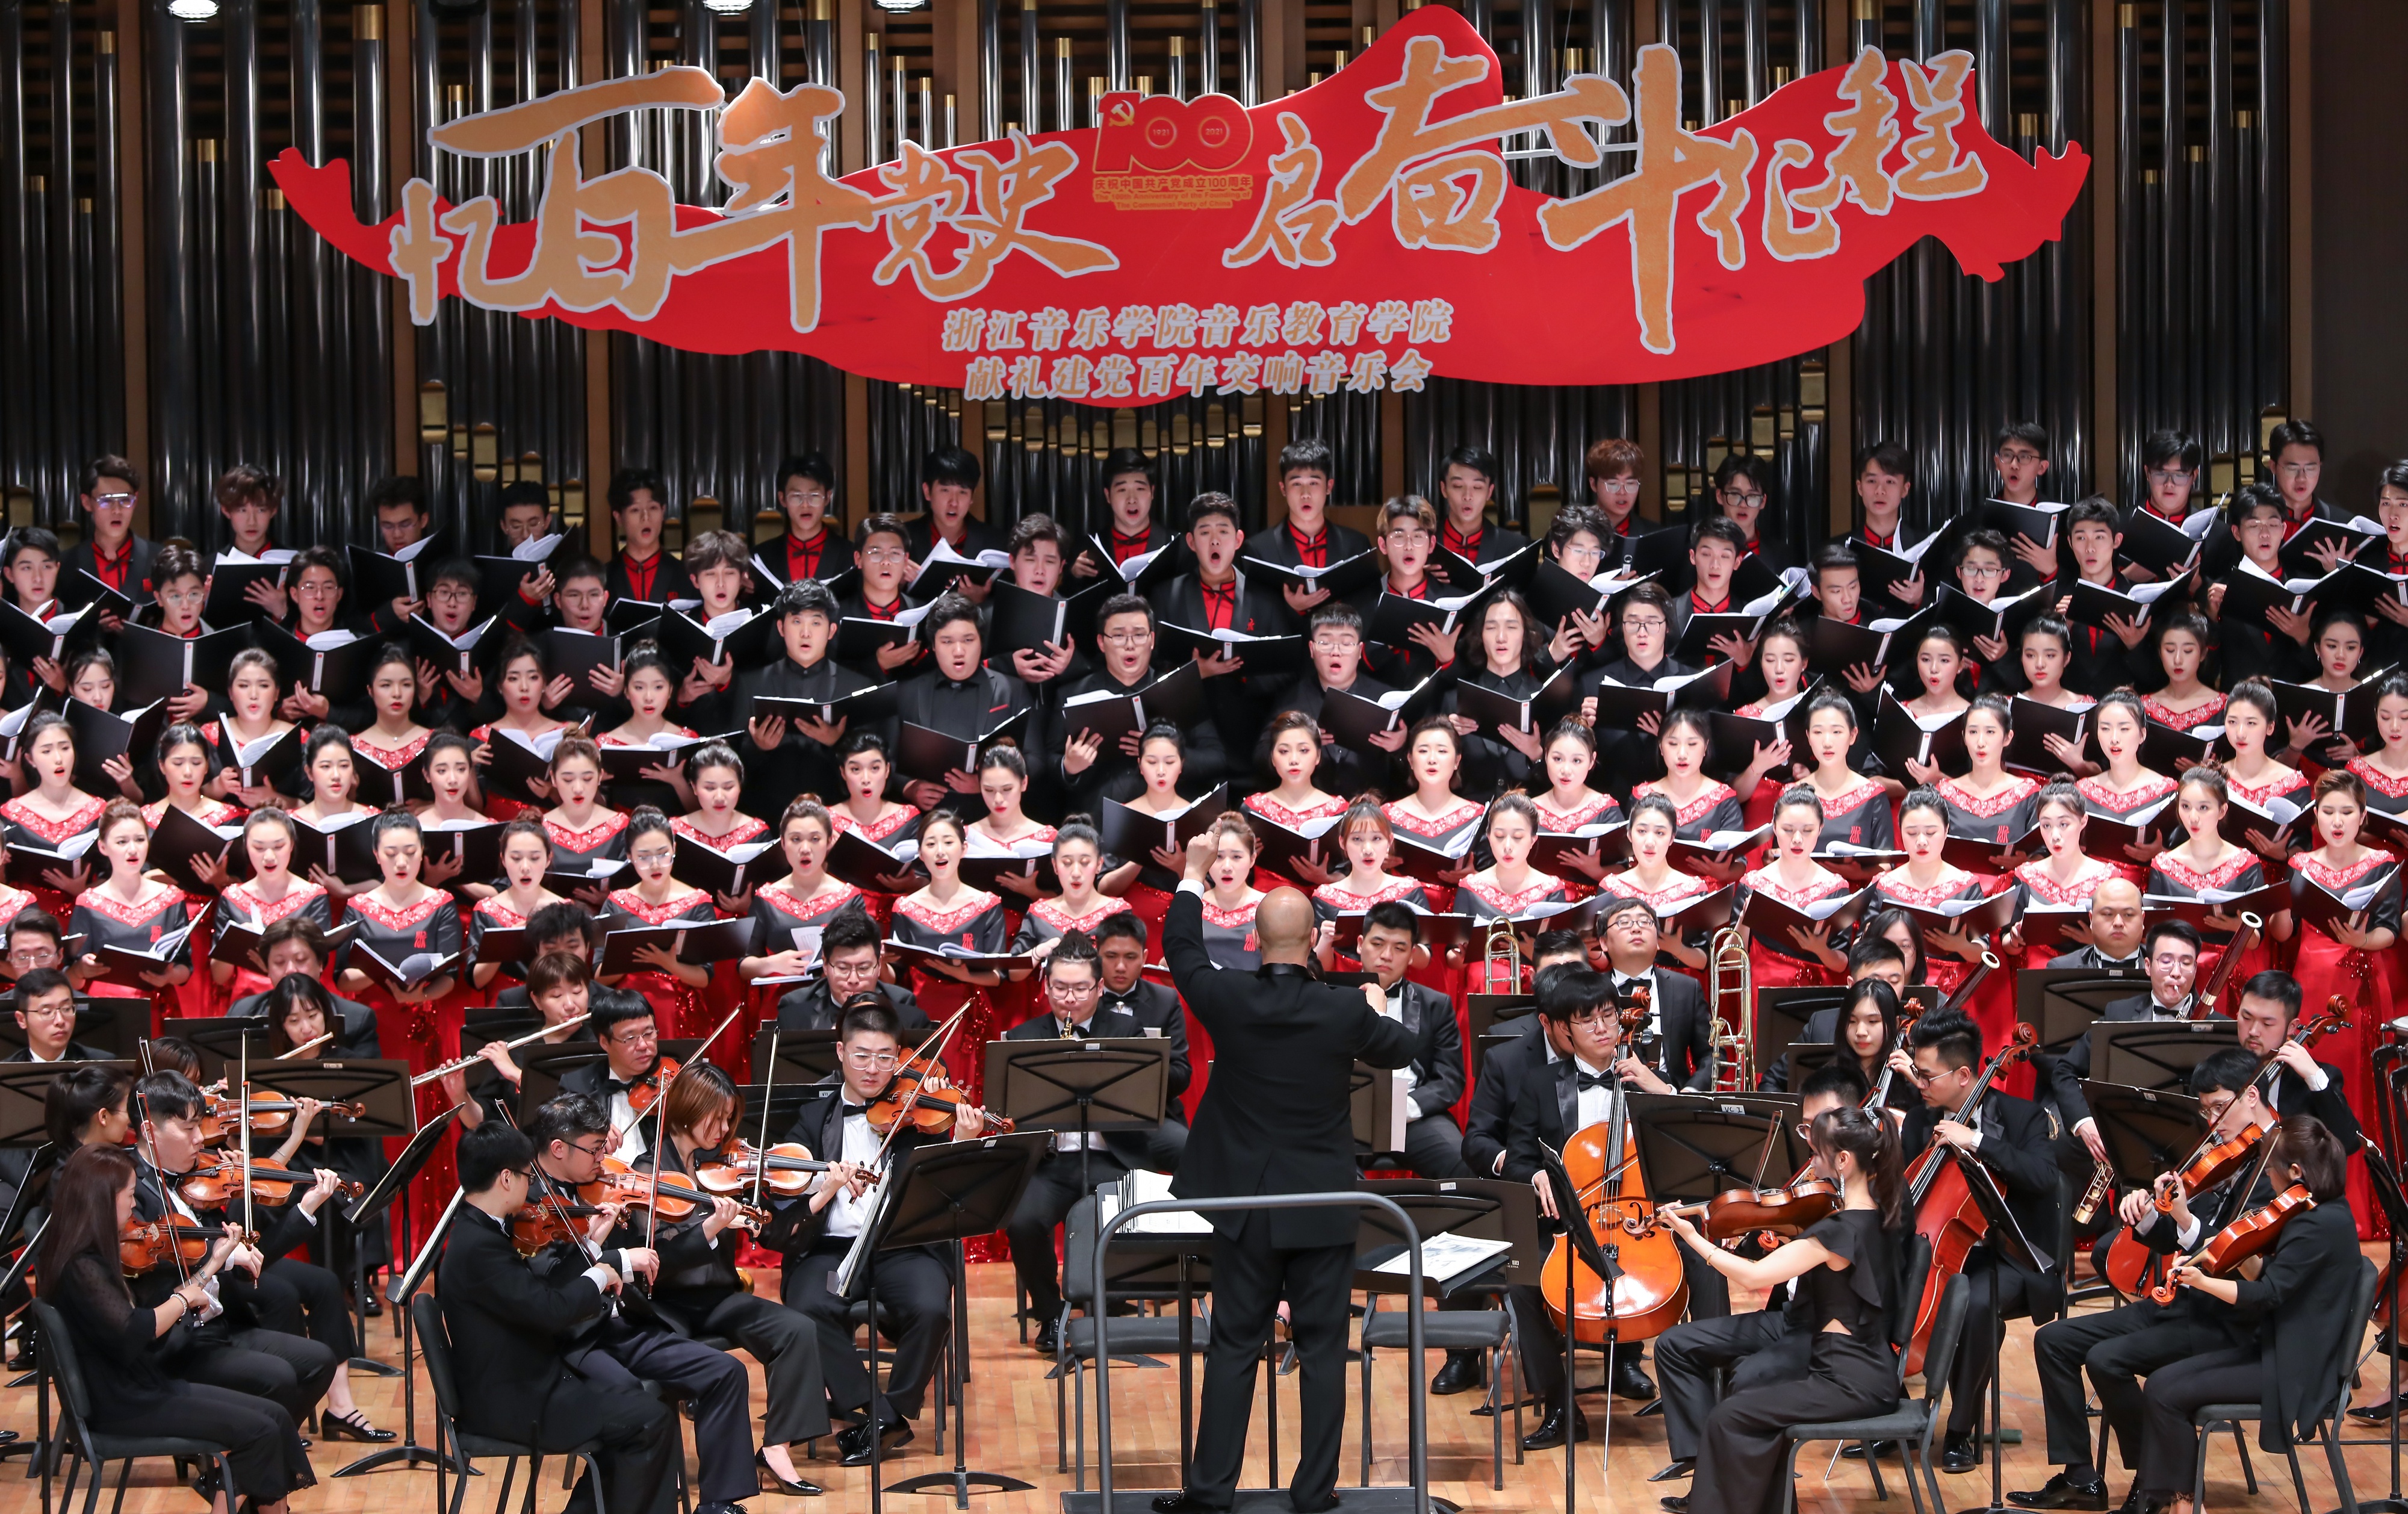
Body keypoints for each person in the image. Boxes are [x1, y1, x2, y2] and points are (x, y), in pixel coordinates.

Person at [1150, 831, 1417, 1514]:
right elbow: (1402, 1047)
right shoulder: (1343, 1009)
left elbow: (1181, 950)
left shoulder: (1229, 995)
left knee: (1234, 1344)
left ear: (1253, 941)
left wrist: (1192, 876)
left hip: (1247, 1205)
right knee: (1324, 1348)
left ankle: (1211, 1492)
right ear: (1315, 942)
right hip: (1323, 1202)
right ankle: (1313, 1491)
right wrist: (1374, 1004)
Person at [532, 1085, 830, 1499]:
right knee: (647, 1399)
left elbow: (775, 1233)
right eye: (596, 1150)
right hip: (638, 1311)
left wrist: (820, 1193)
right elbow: (569, 1281)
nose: (605, 1161)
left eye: (729, 1119)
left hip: (652, 1312)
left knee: (745, 1360)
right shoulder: (549, 1199)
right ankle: (656, 1479)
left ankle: (724, 1497)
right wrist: (607, 1249)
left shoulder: (718, 1168)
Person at [2013, 1047, 2277, 1513]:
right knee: (2054, 1340)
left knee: (2107, 1360)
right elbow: (2176, 1237)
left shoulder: (2276, 1164)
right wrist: (2149, 1217)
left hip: (2224, 1320)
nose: (2212, 1122)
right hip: (2179, 1302)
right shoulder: (2223, 1154)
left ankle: (2152, 1482)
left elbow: (2235, 1255)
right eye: (2206, 1110)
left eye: (2220, 1107)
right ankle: (2081, 1478)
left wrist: (2186, 1219)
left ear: (2251, 1096)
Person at [768, 997, 987, 1465]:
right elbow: (790, 1188)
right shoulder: (813, 1117)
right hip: (831, 1248)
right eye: (862, 1055)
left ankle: (896, 1408)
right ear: (841, 1052)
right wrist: (825, 1185)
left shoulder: (920, 1113)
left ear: (900, 1056)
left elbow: (951, 1184)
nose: (873, 1068)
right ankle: (880, 1414)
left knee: (931, 1307)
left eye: (885, 1057)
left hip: (901, 1245)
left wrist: (961, 1139)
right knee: (807, 1308)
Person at [37, 1142, 311, 1514]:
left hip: (142, 1385)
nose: (134, 1205)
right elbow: (136, 1330)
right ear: (103, 1201)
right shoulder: (82, 1267)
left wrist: (211, 1265)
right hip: (123, 1403)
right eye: (129, 1195)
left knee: (275, 1417)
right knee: (261, 1431)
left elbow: (160, 1310)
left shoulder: (87, 1253)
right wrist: (182, 1300)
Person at [1660, 1102, 1903, 1514]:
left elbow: (1754, 1276)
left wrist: (1691, 1237)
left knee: (1728, 1417)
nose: (1813, 1161)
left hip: (1848, 1380)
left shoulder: (1838, 1232)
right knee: (1742, 1414)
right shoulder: (1878, 1217)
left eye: (1818, 1152)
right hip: (1865, 1369)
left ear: (1843, 1161)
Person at [438, 1120, 681, 1514]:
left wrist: (591, 1243)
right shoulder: (480, 1247)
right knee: (650, 1421)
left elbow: (536, 1298)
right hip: (515, 1402)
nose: (531, 1185)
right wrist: (600, 1274)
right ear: (506, 1179)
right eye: (527, 1175)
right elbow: (551, 1311)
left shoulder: (479, 1230)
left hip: (523, 1381)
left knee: (640, 1411)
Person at [2129, 1116, 2359, 1514]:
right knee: (2161, 1383)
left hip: (2294, 1368)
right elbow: (2273, 1276)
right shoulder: (2322, 1211)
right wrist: (2239, 1250)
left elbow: (2267, 1295)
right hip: (2277, 1348)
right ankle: (2176, 1501)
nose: (2267, 1175)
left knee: (2166, 1393)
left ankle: (2185, 1505)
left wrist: (2202, 1281)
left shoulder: (2318, 1226)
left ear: (2296, 1171)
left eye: (2271, 1168)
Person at [1893, 1010, 2064, 1469]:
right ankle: (1890, 1412)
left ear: (1964, 1075)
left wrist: (1977, 1141)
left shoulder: (2024, 1116)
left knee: (1973, 1303)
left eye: (1927, 1075)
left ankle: (1959, 1431)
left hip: (2008, 1257)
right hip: (1938, 1247)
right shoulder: (1919, 1120)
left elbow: (2044, 1176)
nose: (1918, 1083)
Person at [998, 930, 1155, 1353]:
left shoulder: (1127, 1029)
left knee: (1126, 1214)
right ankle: (1051, 1313)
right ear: (1046, 986)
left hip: (1109, 1156)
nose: (1069, 998)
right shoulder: (1022, 1037)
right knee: (1023, 1219)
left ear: (1100, 988)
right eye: (1060, 988)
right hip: (1048, 1162)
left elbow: (1143, 1101)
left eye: (1081, 989)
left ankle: (1109, 1308)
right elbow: (1006, 1112)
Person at [2053, 920, 2205, 1152]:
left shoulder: (2216, 1025)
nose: (2176, 973)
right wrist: (2084, 1122)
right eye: (2166, 962)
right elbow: (2065, 1071)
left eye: (2186, 963)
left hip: (2194, 1146)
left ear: (2195, 968)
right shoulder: (2119, 1014)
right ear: (2148, 966)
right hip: (2126, 1138)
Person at [1350, 901, 1469, 1178]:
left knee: (1463, 1164)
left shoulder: (1435, 1004)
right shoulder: (1331, 996)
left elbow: (1450, 1079)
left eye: (1399, 948)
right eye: (1377, 944)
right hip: (1349, 1118)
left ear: (1413, 954)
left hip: (1411, 1116)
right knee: (1329, 1173)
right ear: (1360, 944)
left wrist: (1403, 1109)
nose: (1386, 955)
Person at [775, 905, 930, 1032]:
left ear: (878, 965)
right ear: (826, 965)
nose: (853, 980)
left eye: (864, 968)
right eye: (843, 968)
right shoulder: (795, 1009)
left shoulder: (903, 1005)